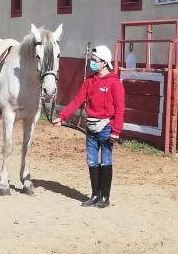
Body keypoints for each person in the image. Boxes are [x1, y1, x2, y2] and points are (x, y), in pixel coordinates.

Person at [52, 44, 125, 209]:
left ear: (104, 62)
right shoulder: (89, 82)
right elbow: (77, 101)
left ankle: (105, 197)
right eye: (92, 59)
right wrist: (62, 117)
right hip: (90, 126)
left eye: (95, 60)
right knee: (92, 160)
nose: (92, 63)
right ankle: (95, 195)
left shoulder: (114, 83)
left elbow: (120, 109)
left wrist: (116, 131)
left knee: (105, 160)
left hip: (107, 127)